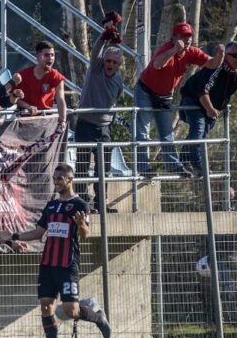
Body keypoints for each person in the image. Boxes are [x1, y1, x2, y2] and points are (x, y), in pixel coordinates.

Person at [0, 163, 111, 338]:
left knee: (71, 311)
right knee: (46, 306)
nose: (56, 182)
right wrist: (14, 237)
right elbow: (39, 233)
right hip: (48, 264)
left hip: (67, 264)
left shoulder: (80, 205)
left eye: (60, 178)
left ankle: (97, 316)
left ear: (70, 180)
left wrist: (82, 225)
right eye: (54, 179)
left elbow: (85, 234)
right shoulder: (51, 206)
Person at [134, 21, 224, 176]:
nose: (187, 39)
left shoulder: (191, 52)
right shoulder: (166, 49)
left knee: (167, 132)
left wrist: (220, 55)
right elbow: (156, 64)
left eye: (189, 36)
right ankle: (143, 168)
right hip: (145, 91)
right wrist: (174, 50)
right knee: (143, 131)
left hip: (164, 96)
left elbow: (212, 64)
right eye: (183, 35)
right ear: (174, 37)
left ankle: (173, 166)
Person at [179, 41, 237, 176]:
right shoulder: (216, 67)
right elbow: (202, 91)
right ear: (226, 56)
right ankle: (197, 164)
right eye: (235, 55)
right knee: (198, 128)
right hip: (193, 100)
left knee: (202, 131)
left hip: (212, 106)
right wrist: (210, 109)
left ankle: (184, 159)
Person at [75, 23, 124, 213]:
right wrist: (104, 36)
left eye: (114, 62)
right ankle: (81, 204)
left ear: (118, 65)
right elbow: (96, 52)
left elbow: (117, 96)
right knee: (82, 165)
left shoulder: (118, 79)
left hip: (104, 128)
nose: (110, 64)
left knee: (103, 170)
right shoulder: (95, 69)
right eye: (108, 61)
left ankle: (100, 204)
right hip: (85, 124)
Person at [15, 41, 67, 129]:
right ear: (38, 56)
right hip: (25, 120)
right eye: (46, 55)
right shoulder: (22, 75)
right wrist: (27, 106)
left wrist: (63, 121)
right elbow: (12, 98)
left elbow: (61, 100)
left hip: (46, 120)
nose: (50, 58)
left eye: (52, 55)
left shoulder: (56, 76)